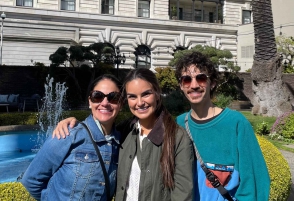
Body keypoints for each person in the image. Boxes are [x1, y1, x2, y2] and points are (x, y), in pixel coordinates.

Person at [52, 68, 194, 201]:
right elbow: (99, 129)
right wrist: (74, 123)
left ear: (157, 93)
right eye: (132, 97)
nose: (139, 103)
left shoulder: (177, 137)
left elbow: (183, 194)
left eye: (146, 94)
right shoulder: (123, 131)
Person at [174, 51, 270, 201]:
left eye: (201, 78)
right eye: (186, 80)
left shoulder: (236, 123)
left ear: (212, 83)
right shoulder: (178, 124)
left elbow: (255, 179)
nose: (193, 85)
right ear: (181, 85)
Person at [21, 74, 123, 201]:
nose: (105, 103)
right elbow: (31, 180)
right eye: (98, 96)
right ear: (90, 101)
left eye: (113, 97)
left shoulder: (121, 141)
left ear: (121, 104)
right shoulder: (69, 134)